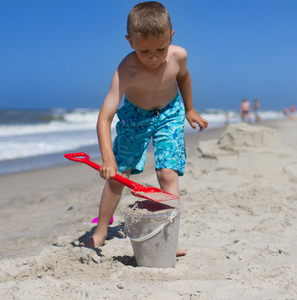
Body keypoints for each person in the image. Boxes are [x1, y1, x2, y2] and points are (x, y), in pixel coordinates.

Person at [82, 2, 208, 251]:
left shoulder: (178, 55)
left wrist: (190, 108)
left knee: (167, 173)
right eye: (144, 51)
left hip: (170, 113)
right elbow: (104, 118)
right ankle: (100, 231)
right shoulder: (126, 70)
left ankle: (169, 236)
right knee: (119, 177)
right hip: (135, 118)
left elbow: (183, 76)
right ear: (130, 42)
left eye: (161, 48)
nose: (153, 57)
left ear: (171, 37)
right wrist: (108, 159)